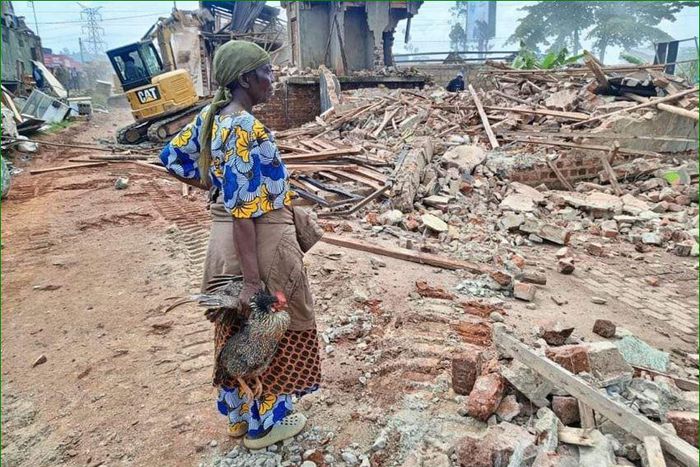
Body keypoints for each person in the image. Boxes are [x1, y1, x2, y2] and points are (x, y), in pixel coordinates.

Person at [159, 40, 321, 449]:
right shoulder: (246, 127)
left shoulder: (212, 119)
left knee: (235, 328)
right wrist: (252, 281)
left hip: (223, 242)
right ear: (246, 79)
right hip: (259, 242)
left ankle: (237, 416)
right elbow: (245, 213)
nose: (273, 79)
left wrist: (214, 186)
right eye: (267, 72)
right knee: (272, 326)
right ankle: (265, 424)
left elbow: (173, 157)